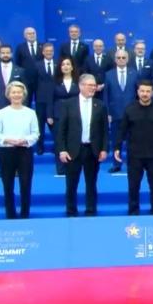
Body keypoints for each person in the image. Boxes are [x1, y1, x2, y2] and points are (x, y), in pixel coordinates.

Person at [114, 80, 153, 215]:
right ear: (138, 92)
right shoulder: (129, 109)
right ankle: (133, 210)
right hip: (134, 154)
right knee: (133, 185)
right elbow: (122, 130)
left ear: (152, 93)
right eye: (142, 91)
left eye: (147, 91)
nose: (145, 94)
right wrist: (117, 147)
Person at [55, 74, 108, 217]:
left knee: (91, 183)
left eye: (94, 85)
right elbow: (61, 130)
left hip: (92, 150)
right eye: (90, 85)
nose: (93, 88)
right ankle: (71, 210)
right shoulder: (68, 104)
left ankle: (91, 209)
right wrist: (62, 150)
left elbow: (104, 130)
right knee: (71, 184)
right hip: (73, 150)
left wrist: (104, 149)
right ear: (80, 86)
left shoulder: (100, 105)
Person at [0, 81, 39, 219]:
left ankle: (25, 214)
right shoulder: (2, 113)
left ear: (23, 95)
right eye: (13, 92)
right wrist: (7, 140)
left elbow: (35, 133)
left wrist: (26, 140)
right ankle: (10, 214)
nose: (16, 95)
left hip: (24, 151)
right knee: (8, 184)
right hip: (6, 152)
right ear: (9, 95)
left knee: (25, 184)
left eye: (19, 92)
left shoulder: (30, 113)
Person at [103, 50, 137, 173]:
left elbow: (138, 93)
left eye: (123, 57)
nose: (121, 59)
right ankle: (116, 164)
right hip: (115, 114)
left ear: (127, 59)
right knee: (116, 141)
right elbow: (106, 95)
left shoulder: (134, 73)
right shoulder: (108, 74)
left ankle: (132, 164)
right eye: (119, 58)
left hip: (132, 114)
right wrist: (107, 113)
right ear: (115, 59)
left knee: (132, 142)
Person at [47, 56, 80, 175]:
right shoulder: (54, 81)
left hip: (74, 114)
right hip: (58, 115)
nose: (65, 66)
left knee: (72, 140)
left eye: (68, 64)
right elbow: (49, 99)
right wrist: (49, 115)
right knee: (59, 141)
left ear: (72, 67)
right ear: (60, 67)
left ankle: (72, 166)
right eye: (63, 64)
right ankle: (60, 168)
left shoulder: (78, 81)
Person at [0, 44, 26, 122]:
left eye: (7, 53)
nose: (5, 55)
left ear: (11, 54)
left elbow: (24, 91)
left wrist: (24, 107)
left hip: (16, 107)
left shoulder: (20, 71)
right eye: (3, 53)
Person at [34, 43, 57, 155]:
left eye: (51, 51)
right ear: (43, 52)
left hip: (55, 99)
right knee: (40, 125)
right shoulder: (37, 65)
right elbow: (33, 81)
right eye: (47, 51)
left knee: (55, 125)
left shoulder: (59, 64)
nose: (49, 53)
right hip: (41, 99)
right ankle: (40, 146)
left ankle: (57, 146)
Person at [14, 26, 41, 106]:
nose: (32, 35)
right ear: (25, 36)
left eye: (33, 33)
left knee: (40, 103)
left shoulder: (42, 46)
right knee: (26, 102)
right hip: (26, 80)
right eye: (29, 34)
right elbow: (17, 64)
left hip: (40, 80)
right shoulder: (20, 47)